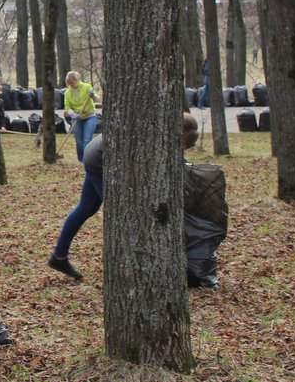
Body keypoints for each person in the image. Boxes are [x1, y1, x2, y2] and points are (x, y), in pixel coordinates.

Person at [48, 113, 199, 281]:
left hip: (96, 153)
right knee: (123, 213)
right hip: (100, 161)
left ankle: (59, 257)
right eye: (181, 144)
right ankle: (129, 268)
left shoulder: (158, 124)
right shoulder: (151, 134)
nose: (179, 148)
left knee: (86, 208)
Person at [63, 71, 99, 162]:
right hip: (76, 118)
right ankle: (81, 160)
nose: (70, 85)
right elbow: (67, 107)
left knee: (87, 139)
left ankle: (87, 161)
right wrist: (74, 114)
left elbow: (97, 99)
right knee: (79, 142)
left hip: (89, 116)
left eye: (72, 82)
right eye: (69, 83)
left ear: (76, 80)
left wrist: (93, 95)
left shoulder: (86, 87)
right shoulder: (67, 92)